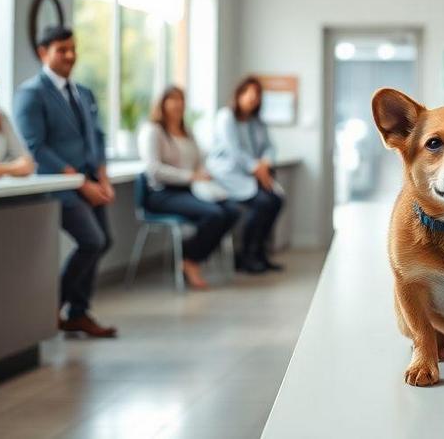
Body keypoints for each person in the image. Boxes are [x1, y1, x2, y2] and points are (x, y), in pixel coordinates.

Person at [15, 25, 118, 338]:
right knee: (92, 241)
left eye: (73, 49)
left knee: (104, 241)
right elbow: (35, 147)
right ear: (43, 52)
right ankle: (51, 306)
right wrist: (77, 182)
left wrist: (101, 176)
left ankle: (77, 313)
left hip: (89, 181)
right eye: (62, 50)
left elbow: (96, 137)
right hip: (59, 185)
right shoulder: (31, 94)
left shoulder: (83, 92)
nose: (70, 56)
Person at [138, 86, 240, 289]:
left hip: (189, 190)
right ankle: (190, 260)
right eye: (172, 99)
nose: (178, 104)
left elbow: (198, 159)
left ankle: (192, 255)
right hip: (162, 193)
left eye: (181, 99)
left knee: (232, 210)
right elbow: (154, 169)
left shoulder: (187, 130)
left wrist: (202, 173)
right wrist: (190, 176)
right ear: (162, 103)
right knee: (214, 215)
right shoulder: (153, 131)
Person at [207, 76, 285, 274]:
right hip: (228, 175)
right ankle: (245, 255)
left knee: (276, 201)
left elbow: (269, 147)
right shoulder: (226, 117)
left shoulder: (257, 122)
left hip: (253, 175)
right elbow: (234, 151)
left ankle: (260, 253)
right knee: (263, 203)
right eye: (248, 94)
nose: (252, 99)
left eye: (256, 95)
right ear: (239, 95)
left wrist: (266, 163)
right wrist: (257, 169)